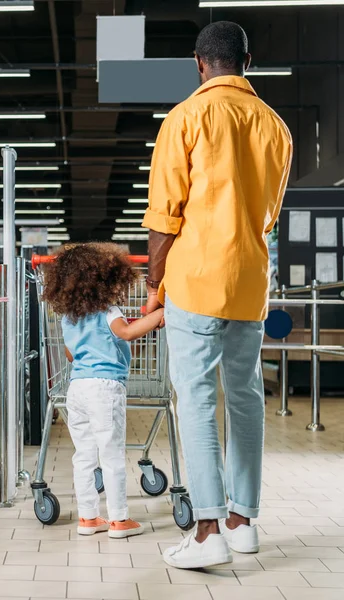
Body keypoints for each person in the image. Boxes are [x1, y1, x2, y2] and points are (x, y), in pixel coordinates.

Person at [142, 21, 293, 569]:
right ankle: (242, 520)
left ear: (198, 63)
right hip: (251, 282)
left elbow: (163, 218)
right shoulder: (276, 128)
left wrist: (156, 287)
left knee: (198, 401)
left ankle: (206, 532)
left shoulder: (185, 117)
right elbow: (269, 214)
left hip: (196, 281)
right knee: (247, 398)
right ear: (247, 61)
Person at [42, 242, 164, 538]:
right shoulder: (108, 309)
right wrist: (159, 316)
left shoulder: (68, 316)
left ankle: (88, 518)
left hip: (77, 388)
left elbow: (71, 354)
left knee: (84, 455)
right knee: (111, 454)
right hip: (105, 387)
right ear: (105, 280)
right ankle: (119, 520)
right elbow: (126, 332)